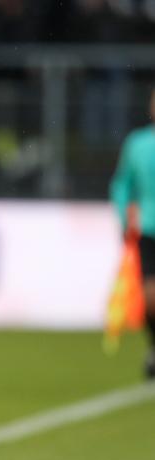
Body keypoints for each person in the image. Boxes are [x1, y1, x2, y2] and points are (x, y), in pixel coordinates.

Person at [110, 88, 155, 378]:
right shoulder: (137, 143)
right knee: (150, 295)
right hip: (149, 227)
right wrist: (124, 218)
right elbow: (122, 184)